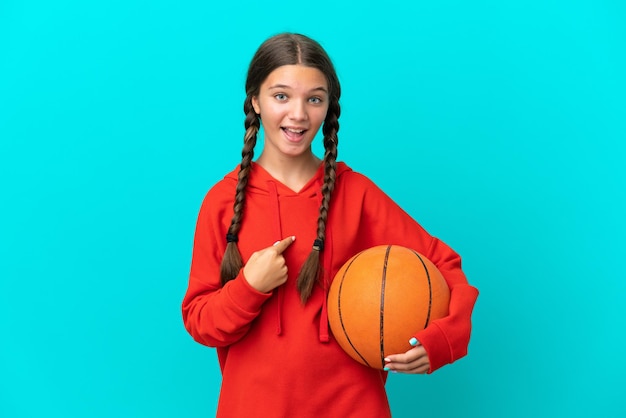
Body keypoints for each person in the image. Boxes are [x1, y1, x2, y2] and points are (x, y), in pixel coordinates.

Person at [182, 33, 479, 417]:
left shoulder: (355, 193)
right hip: (252, 406)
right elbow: (200, 321)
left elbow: (444, 264)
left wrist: (442, 338)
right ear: (255, 100)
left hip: (354, 405)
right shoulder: (222, 202)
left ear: (328, 108)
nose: (299, 114)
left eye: (315, 99)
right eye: (281, 96)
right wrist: (248, 288)